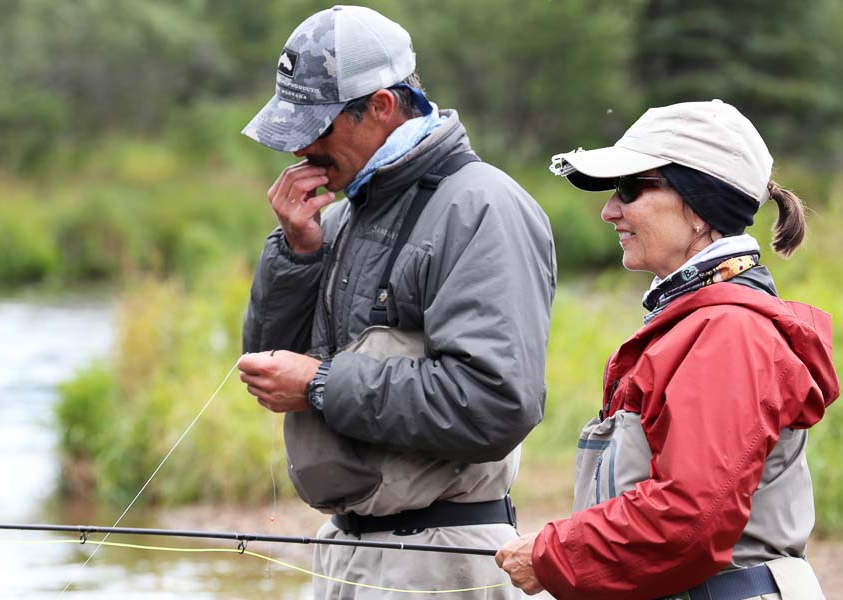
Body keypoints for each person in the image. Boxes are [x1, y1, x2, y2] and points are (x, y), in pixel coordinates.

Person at [236, 6, 556, 598]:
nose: (302, 148)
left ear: (381, 106)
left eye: (319, 127)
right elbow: (270, 367)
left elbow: (494, 405)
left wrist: (322, 384)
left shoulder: (482, 208)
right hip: (346, 553)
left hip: (440, 562)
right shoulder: (337, 217)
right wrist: (297, 255)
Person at [496, 99, 839, 599]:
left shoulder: (728, 332)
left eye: (630, 188)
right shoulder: (705, 322)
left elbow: (690, 516)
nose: (609, 210)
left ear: (699, 207)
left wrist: (556, 554)